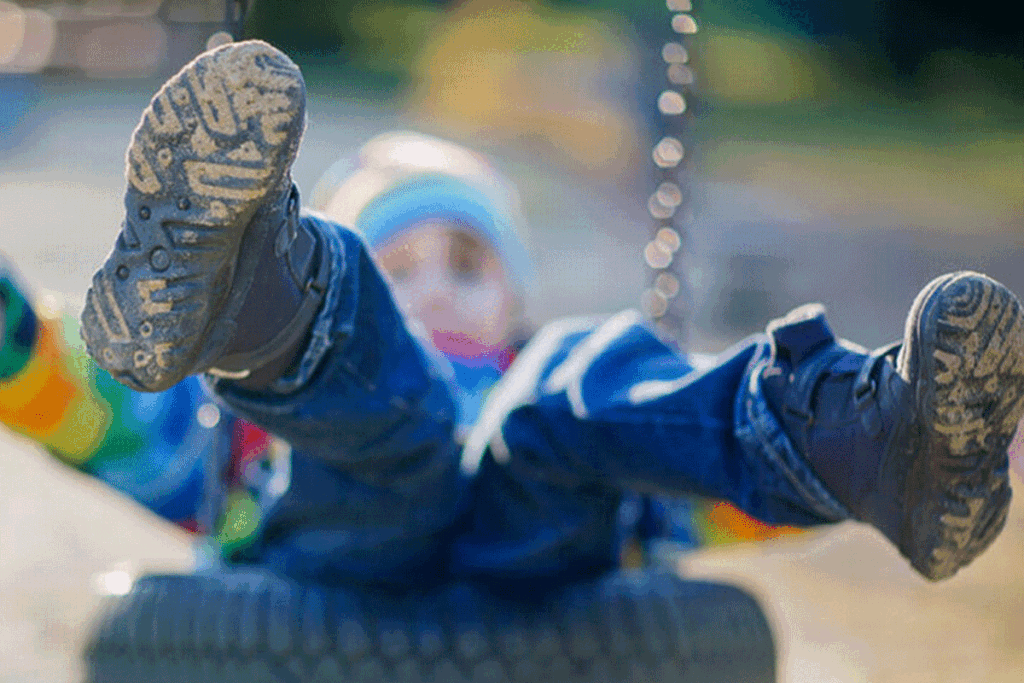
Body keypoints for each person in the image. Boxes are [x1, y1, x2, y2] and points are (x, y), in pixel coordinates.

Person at [72, 40, 1024, 589]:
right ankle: (248, 290)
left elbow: (714, 502)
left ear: (510, 297)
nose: (438, 287)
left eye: (468, 263)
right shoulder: (234, 440)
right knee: (377, 383)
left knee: (580, 378)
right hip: (342, 524)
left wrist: (901, 460)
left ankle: (882, 442)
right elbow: (93, 414)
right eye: (400, 266)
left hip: (535, 545)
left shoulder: (548, 382)